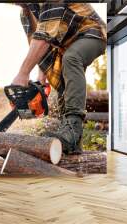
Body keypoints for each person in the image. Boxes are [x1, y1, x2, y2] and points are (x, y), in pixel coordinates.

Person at [12, 2, 106, 154]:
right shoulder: (25, 13)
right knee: (63, 82)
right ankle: (71, 142)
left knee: (72, 58)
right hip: (67, 45)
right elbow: (36, 45)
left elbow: (44, 39)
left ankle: (73, 129)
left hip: (92, 32)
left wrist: (23, 73)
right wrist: (41, 77)